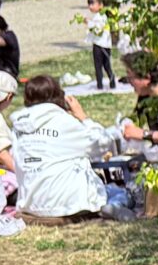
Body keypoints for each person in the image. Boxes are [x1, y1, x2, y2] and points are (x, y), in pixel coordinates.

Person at [9, 74, 132, 223]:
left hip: (30, 204)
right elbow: (103, 143)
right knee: (118, 192)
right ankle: (115, 206)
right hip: (67, 204)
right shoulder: (64, 121)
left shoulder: (17, 127)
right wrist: (83, 117)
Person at [85, 0, 120, 89]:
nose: (90, 6)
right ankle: (99, 85)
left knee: (106, 65)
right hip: (97, 44)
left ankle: (111, 82)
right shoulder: (97, 16)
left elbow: (98, 30)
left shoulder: (101, 16)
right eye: (89, 4)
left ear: (100, 5)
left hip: (102, 45)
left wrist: (88, 23)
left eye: (93, 4)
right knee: (98, 66)